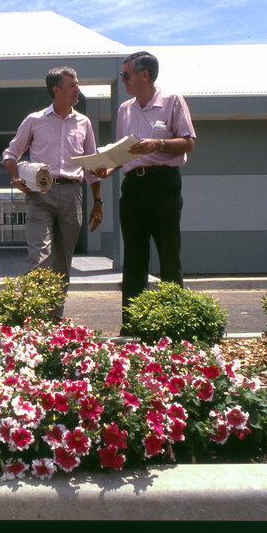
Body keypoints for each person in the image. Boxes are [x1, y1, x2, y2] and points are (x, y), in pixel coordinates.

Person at [2, 67, 104, 320]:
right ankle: (32, 317)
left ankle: (55, 318)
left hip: (73, 195)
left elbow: (91, 165)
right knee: (39, 256)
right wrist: (14, 177)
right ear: (56, 90)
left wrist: (98, 201)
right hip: (41, 195)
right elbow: (11, 153)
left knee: (62, 263)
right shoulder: (34, 120)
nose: (77, 89)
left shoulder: (84, 123)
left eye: (77, 84)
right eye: (72, 85)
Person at [106, 50, 195, 326]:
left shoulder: (172, 102)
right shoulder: (125, 110)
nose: (122, 80)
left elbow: (189, 142)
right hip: (132, 188)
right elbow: (123, 153)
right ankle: (132, 324)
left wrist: (158, 144)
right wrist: (106, 167)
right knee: (133, 257)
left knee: (169, 254)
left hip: (163, 184)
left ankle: (173, 323)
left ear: (145, 75)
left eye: (126, 75)